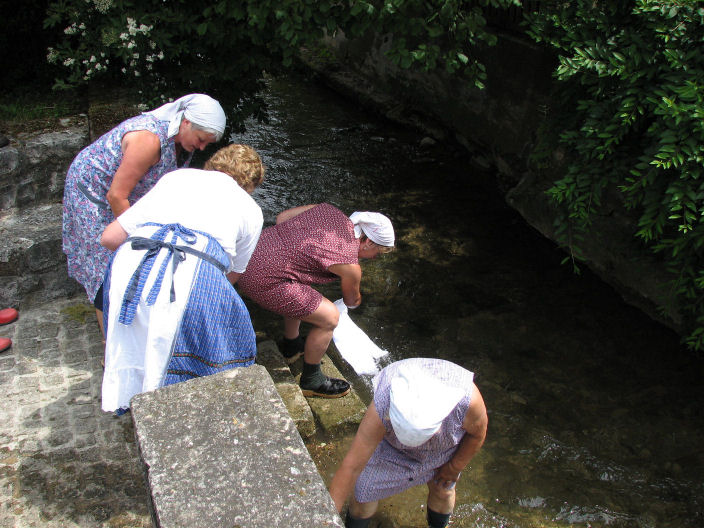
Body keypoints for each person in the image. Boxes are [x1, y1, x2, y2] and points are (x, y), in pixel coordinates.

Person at [98, 144, 264, 414]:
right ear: (251, 184)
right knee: (226, 342)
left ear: (213, 163)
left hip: (131, 264)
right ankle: (180, 414)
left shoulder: (175, 178)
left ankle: (129, 400)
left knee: (137, 339)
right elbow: (234, 273)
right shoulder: (251, 209)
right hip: (193, 270)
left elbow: (109, 238)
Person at [62, 93, 227, 336]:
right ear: (186, 123)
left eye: (207, 144)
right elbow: (116, 195)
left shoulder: (182, 140)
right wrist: (138, 239)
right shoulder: (148, 141)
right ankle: (110, 347)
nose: (202, 148)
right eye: (201, 140)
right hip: (94, 194)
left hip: (123, 192)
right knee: (108, 266)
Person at [237, 203, 394, 398]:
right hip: (260, 279)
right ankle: (312, 381)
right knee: (330, 317)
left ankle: (291, 346)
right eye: (377, 253)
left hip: (247, 256)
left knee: (299, 285)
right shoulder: (349, 264)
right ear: (368, 241)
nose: (373, 258)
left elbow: (282, 218)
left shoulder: (328, 210)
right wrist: (356, 298)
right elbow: (351, 301)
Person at [328, 358, 488, 528]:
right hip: (391, 449)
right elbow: (351, 467)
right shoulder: (383, 404)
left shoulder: (467, 402)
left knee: (443, 489)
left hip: (442, 449)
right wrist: (327, 521)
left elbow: (477, 435)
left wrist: (455, 467)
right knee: (364, 491)